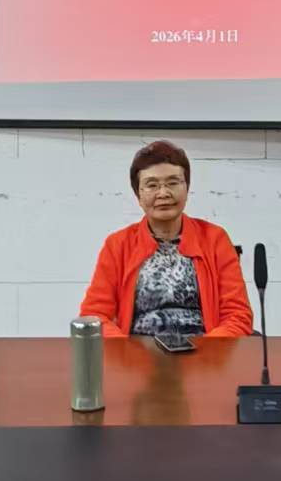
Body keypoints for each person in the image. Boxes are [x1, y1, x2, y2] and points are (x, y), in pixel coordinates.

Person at [77, 140, 254, 337]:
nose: (163, 193)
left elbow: (238, 316)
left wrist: (208, 351)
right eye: (152, 185)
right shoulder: (118, 245)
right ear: (138, 195)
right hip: (136, 351)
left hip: (204, 350)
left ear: (186, 187)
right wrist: (126, 351)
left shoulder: (215, 239)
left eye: (173, 183)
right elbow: (94, 316)